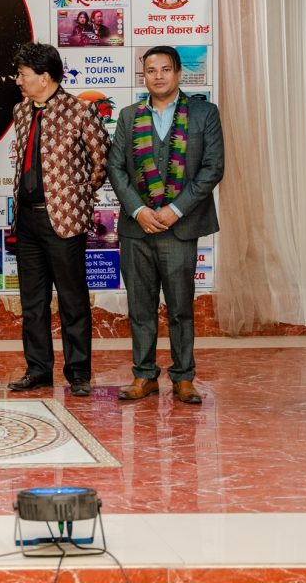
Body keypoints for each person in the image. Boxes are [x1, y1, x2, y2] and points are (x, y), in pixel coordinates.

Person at [107, 46, 224, 405]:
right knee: (140, 308)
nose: (158, 76)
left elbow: (213, 168)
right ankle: (144, 376)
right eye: (151, 70)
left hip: (179, 228)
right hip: (137, 229)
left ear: (178, 74)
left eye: (165, 69)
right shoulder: (129, 116)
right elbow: (115, 167)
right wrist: (139, 210)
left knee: (180, 308)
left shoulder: (204, 113)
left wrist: (176, 209)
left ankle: (183, 378)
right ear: (143, 76)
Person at [7, 43, 109, 397]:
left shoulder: (80, 110)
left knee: (72, 299)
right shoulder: (21, 110)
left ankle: (78, 372)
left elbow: (101, 160)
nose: (18, 80)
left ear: (45, 77)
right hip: (27, 220)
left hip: (64, 220)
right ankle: (38, 370)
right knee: (32, 302)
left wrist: (75, 194)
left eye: (23, 74)